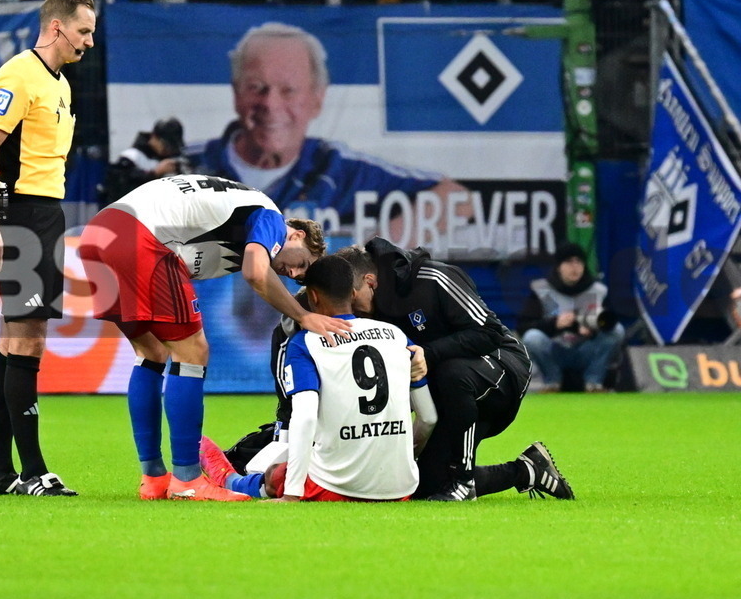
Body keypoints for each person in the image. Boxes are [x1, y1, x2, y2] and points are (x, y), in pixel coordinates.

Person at [78, 173, 352, 502]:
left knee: (151, 351)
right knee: (192, 352)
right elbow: (255, 272)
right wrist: (304, 315)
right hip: (137, 236)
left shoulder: (235, 231)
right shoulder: (272, 218)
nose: (292, 274)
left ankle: (153, 477)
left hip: (97, 235)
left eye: (299, 277)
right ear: (297, 234)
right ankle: (188, 478)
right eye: (301, 264)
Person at [0, 0, 97, 497]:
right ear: (57, 28)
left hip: (45, 213)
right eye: (84, 31)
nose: (90, 41)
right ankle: (33, 472)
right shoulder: (19, 74)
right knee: (28, 341)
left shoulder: (59, 83)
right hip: (22, 213)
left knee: (11, 343)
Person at [336, 240, 575, 501]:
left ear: (370, 282)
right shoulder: (372, 310)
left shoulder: (433, 277)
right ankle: (527, 470)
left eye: (352, 298)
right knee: (419, 484)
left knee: (453, 372)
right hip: (450, 393)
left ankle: (464, 481)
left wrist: (428, 353)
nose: (351, 309)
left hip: (502, 367)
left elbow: (489, 332)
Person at [185, 22, 465, 240]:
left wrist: (369, 255)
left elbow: (457, 198)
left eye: (289, 90)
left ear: (317, 99)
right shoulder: (188, 166)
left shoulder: (339, 170)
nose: (271, 104)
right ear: (236, 93)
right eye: (257, 87)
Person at [199, 255, 437, 501]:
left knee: (274, 474)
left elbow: (305, 417)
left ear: (312, 297)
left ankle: (227, 476)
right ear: (354, 293)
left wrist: (292, 493)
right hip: (400, 489)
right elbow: (428, 418)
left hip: (335, 489)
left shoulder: (307, 343)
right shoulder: (397, 336)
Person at [518, 242, 625, 393]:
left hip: (586, 350)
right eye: (568, 262)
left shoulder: (598, 290)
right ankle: (552, 382)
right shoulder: (542, 289)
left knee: (617, 331)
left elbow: (611, 322)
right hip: (555, 350)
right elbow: (523, 327)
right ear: (559, 266)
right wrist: (555, 324)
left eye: (578, 262)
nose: (574, 267)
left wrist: (592, 329)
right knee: (532, 337)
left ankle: (594, 383)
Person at [98, 117, 188, 204]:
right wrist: (154, 174)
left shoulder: (175, 159)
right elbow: (119, 189)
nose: (169, 150)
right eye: (166, 145)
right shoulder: (132, 157)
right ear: (154, 137)